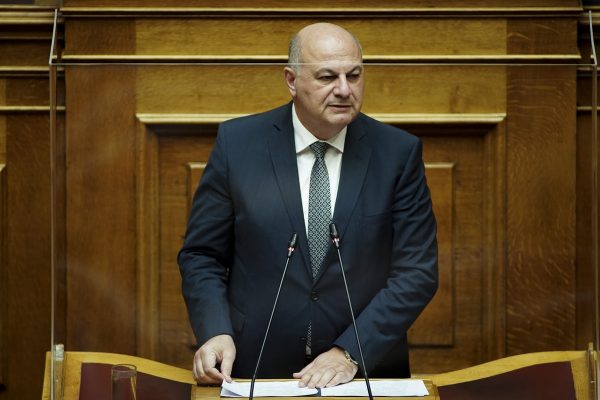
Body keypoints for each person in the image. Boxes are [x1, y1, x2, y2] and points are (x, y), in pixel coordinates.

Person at [178, 22, 438, 389]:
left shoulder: (397, 153)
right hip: (255, 366)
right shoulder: (238, 145)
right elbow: (202, 255)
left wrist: (350, 352)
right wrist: (215, 330)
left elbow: (417, 272)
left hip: (361, 371)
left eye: (354, 75)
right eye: (327, 77)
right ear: (291, 80)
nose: (344, 89)